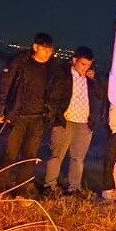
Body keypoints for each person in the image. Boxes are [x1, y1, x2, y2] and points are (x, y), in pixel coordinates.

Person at [0, 32, 56, 193]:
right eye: (44, 49)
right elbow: (5, 85)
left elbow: (55, 92)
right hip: (17, 116)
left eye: (50, 50)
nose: (48, 53)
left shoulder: (52, 68)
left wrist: (50, 113)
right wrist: (0, 109)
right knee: (9, 154)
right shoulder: (20, 62)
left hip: (37, 119)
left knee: (30, 157)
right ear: (35, 47)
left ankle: (21, 191)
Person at [43, 46, 106, 197]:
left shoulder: (91, 79)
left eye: (89, 65)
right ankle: (49, 185)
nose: (86, 68)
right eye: (83, 64)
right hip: (65, 120)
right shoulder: (63, 74)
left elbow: (101, 95)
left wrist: (95, 79)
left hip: (84, 123)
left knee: (78, 158)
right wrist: (55, 117)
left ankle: (74, 187)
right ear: (74, 60)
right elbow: (53, 96)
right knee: (57, 155)